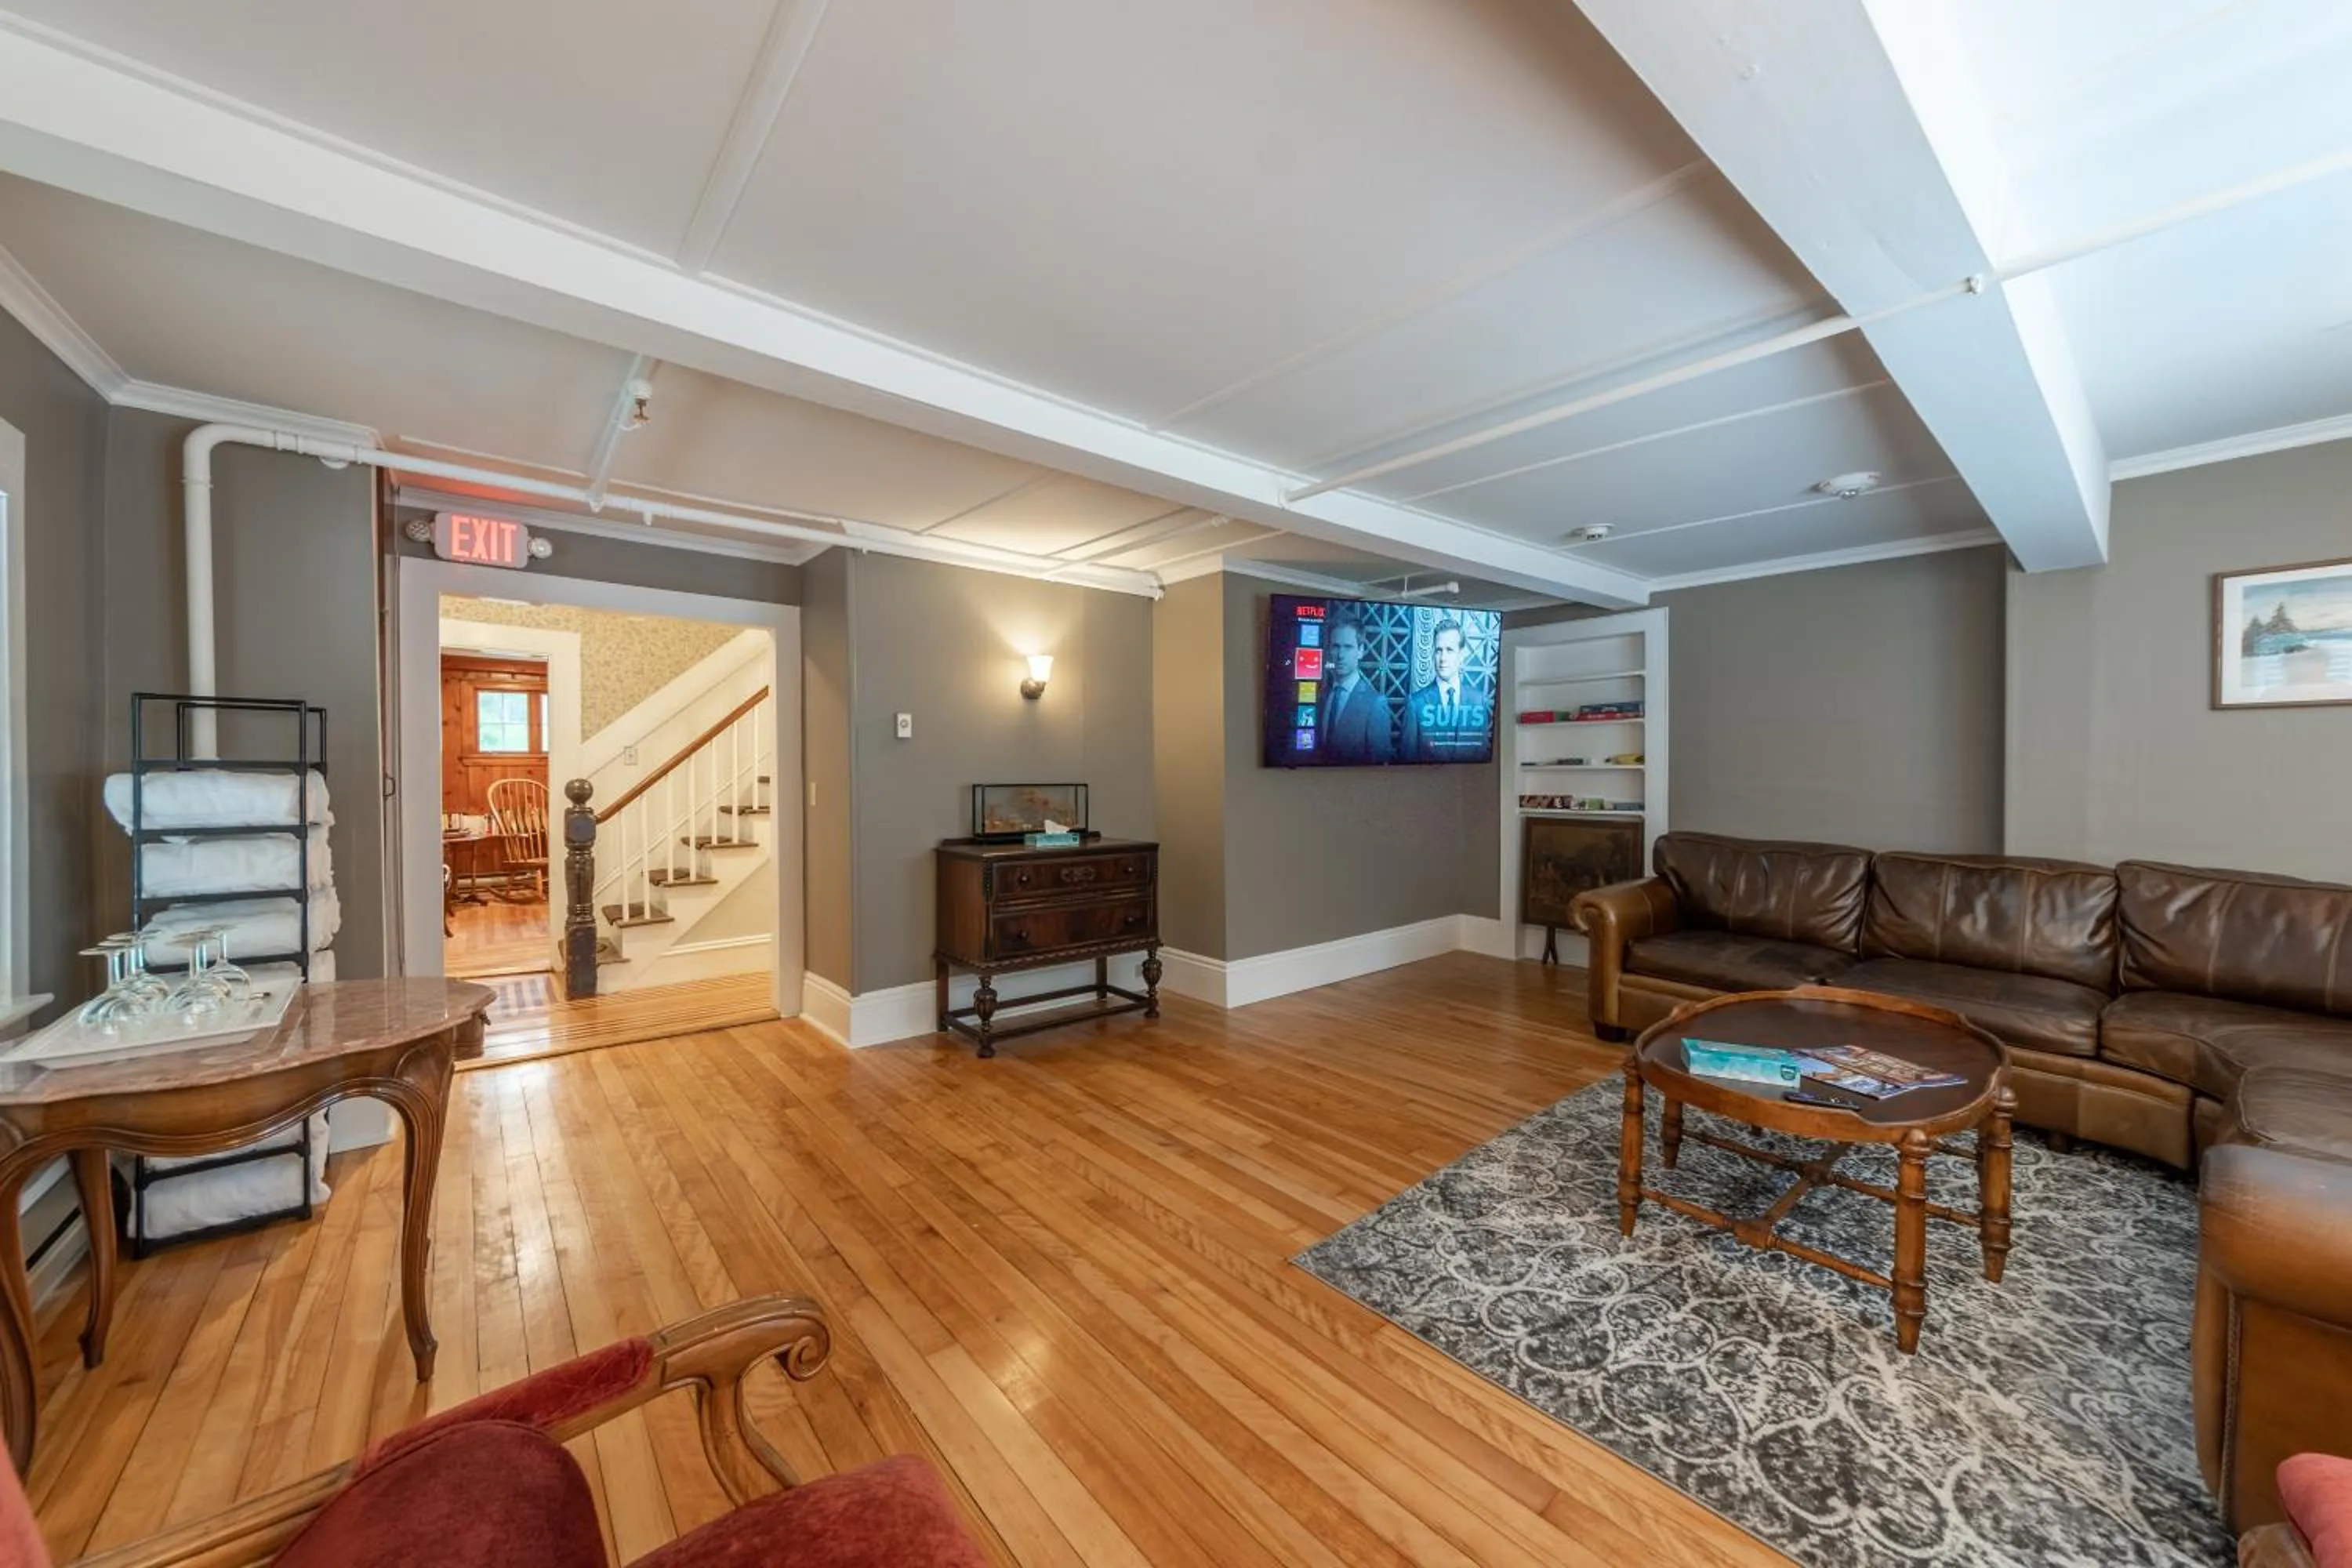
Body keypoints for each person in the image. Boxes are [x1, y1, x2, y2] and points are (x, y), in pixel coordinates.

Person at [1400, 619, 1490, 761]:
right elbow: (1406, 760)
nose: (1443, 658)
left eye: (1449, 650)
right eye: (1438, 650)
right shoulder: (1416, 703)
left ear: (1461, 655)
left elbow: (1483, 755)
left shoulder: (1478, 701)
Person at [1317, 615, 1393, 764]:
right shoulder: (1323, 696)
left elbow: (1379, 764)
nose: (1340, 655)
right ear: (1329, 650)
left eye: (1348, 647)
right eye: (1336, 647)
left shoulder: (1375, 704)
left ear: (1360, 651)